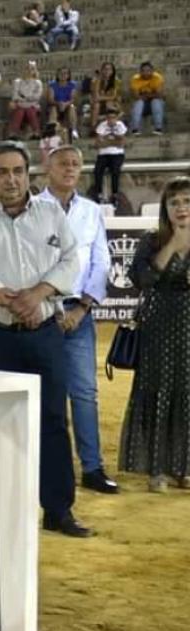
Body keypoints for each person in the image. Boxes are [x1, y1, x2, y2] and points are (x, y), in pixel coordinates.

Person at [0, 141, 91, 537]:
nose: (11, 180)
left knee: (53, 420)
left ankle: (58, 510)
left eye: (18, 171)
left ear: (29, 175)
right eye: (1, 172)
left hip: (45, 335)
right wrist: (16, 300)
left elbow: (71, 259)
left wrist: (39, 294)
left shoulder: (51, 215)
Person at [38, 146, 120, 495]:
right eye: (63, 163)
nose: (70, 169)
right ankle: (47, 468)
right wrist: (53, 309)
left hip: (79, 313)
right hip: (41, 314)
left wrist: (82, 308)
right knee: (45, 394)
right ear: (48, 168)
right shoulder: (33, 208)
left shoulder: (90, 211)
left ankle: (92, 467)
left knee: (85, 393)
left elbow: (101, 260)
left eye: (75, 164)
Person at [119, 177, 190, 492]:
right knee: (158, 392)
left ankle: (185, 468)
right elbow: (142, 279)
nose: (181, 208)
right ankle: (157, 469)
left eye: (187, 201)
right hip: (159, 326)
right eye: (174, 202)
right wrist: (173, 246)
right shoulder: (152, 240)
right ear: (165, 208)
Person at [89, 106, 127, 204]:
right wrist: (114, 140)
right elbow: (98, 144)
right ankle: (99, 194)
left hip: (117, 154)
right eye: (109, 118)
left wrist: (107, 141)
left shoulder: (120, 125)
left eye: (113, 118)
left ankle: (115, 194)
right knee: (97, 171)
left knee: (115, 171)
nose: (111, 120)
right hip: (103, 154)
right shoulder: (102, 126)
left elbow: (122, 143)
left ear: (116, 118)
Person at [7, 60, 43, 140]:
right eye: (27, 68)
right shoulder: (17, 82)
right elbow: (15, 96)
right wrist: (28, 98)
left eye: (32, 69)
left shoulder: (38, 83)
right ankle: (13, 133)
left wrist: (24, 97)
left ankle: (36, 132)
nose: (29, 71)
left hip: (32, 105)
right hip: (20, 105)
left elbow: (37, 96)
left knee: (30, 110)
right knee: (20, 111)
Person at [129, 61, 166, 135]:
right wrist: (151, 95)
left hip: (155, 104)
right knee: (139, 103)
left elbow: (160, 95)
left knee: (156, 102)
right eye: (143, 71)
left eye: (148, 70)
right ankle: (135, 129)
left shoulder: (157, 78)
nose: (146, 73)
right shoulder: (135, 79)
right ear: (140, 71)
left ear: (152, 71)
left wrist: (146, 96)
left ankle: (158, 128)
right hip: (142, 105)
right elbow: (136, 96)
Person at [47, 66, 80, 139]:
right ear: (57, 75)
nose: (63, 75)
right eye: (61, 73)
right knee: (53, 109)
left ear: (68, 75)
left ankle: (74, 130)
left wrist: (65, 104)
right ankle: (52, 131)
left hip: (67, 105)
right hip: (55, 105)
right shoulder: (52, 85)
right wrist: (59, 103)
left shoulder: (72, 85)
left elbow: (73, 99)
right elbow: (50, 99)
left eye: (65, 73)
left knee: (72, 107)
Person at [90, 61, 122, 133]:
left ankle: (112, 128)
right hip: (98, 103)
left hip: (112, 103)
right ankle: (93, 128)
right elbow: (96, 97)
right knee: (96, 105)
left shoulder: (116, 81)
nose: (107, 71)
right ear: (101, 70)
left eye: (109, 69)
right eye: (105, 69)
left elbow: (114, 96)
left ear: (113, 71)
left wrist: (103, 97)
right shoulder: (95, 81)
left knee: (109, 103)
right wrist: (99, 80)